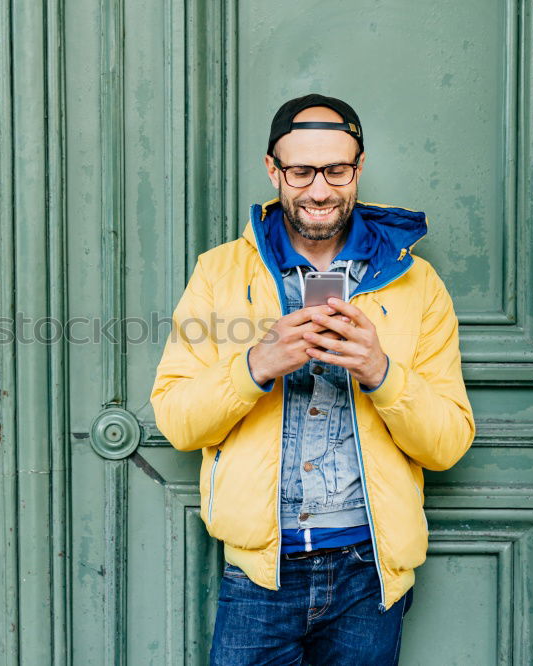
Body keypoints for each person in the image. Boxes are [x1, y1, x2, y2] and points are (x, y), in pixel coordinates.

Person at [149, 93, 475, 664]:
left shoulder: (416, 284)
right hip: (259, 574)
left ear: (359, 168)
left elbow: (447, 444)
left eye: (336, 170)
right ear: (273, 170)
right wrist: (254, 367)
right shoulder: (220, 273)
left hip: (369, 575)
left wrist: (381, 373)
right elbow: (177, 420)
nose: (320, 189)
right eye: (300, 171)